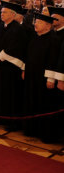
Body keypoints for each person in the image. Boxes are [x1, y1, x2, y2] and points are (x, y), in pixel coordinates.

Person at [0, 1, 30, 127]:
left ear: (13, 14)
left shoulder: (18, 29)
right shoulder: (1, 26)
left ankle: (10, 121)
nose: (1, 14)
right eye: (1, 12)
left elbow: (15, 47)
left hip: (10, 67)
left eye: (4, 12)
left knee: (10, 94)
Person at [22, 13, 62, 143]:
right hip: (31, 76)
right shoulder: (34, 38)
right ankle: (31, 129)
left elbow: (53, 60)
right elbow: (28, 56)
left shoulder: (54, 40)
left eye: (39, 22)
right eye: (35, 21)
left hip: (44, 79)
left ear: (47, 25)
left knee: (43, 104)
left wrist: (50, 79)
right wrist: (24, 69)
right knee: (30, 100)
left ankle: (43, 132)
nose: (35, 24)